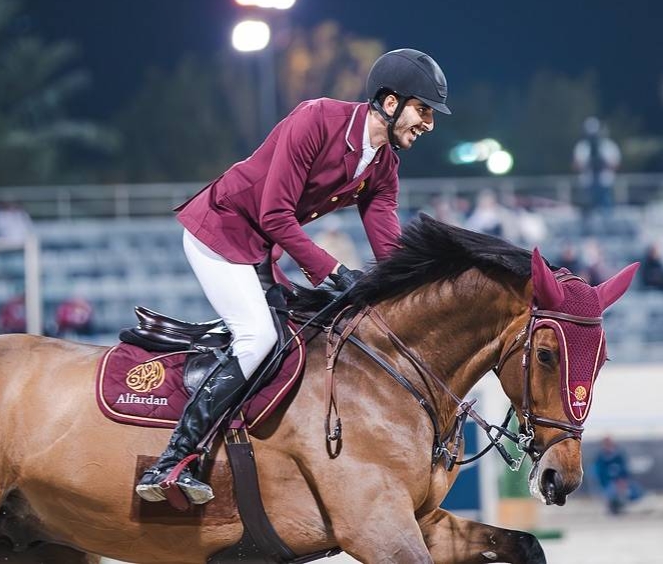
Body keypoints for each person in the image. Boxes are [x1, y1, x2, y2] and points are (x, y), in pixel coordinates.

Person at [135, 48, 451, 506]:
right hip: (220, 231)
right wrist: (333, 272)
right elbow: (274, 213)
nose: (429, 124)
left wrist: (418, 290)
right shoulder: (316, 119)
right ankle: (175, 460)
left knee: (306, 336)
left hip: (262, 249)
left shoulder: (383, 166)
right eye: (423, 110)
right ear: (389, 102)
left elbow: (389, 247)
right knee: (258, 338)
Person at [572, 117, 620, 221]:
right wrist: (588, 164)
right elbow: (576, 165)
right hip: (587, 185)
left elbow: (616, 165)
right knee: (587, 216)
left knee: (607, 214)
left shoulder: (608, 146)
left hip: (605, 185)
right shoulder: (582, 147)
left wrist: (603, 163)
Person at [593, 436, 643, 515]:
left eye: (609, 443)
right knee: (610, 493)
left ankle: (624, 507)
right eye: (606, 444)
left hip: (622, 482)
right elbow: (600, 473)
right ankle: (613, 509)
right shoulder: (600, 457)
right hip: (607, 484)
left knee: (629, 491)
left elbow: (625, 468)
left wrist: (622, 480)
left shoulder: (619, 455)